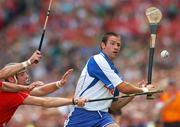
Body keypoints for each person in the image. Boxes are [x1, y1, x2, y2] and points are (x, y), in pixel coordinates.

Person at [64, 32, 155, 127]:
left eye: (118, 45)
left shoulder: (114, 72)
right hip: (82, 114)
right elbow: (123, 88)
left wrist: (136, 92)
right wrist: (145, 90)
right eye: (112, 43)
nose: (116, 47)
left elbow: (114, 106)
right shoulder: (97, 59)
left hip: (102, 117)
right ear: (103, 45)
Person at [0, 64, 87, 127]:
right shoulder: (13, 95)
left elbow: (40, 90)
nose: (26, 76)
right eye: (22, 75)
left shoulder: (15, 90)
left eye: (26, 73)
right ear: (11, 79)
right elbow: (45, 102)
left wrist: (59, 84)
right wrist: (73, 101)